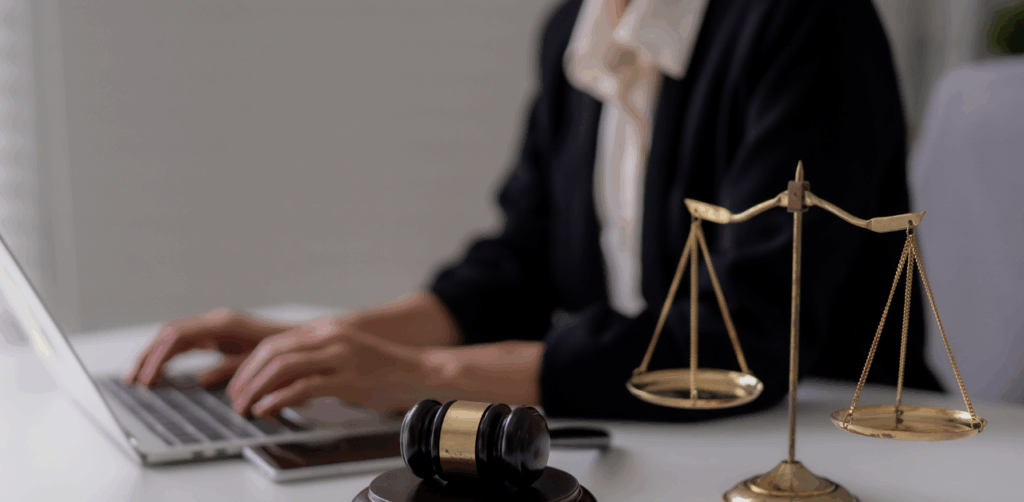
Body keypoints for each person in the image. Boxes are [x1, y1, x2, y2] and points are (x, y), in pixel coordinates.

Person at [126, 0, 941, 421]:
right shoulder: (575, 31)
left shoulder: (807, 23)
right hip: (659, 436)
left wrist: (426, 378)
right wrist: (329, 344)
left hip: (826, 445)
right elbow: (519, 264)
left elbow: (746, 339)